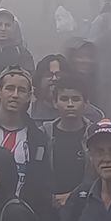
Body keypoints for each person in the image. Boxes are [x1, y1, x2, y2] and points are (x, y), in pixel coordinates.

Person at [0, 68, 52, 210]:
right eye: (9, 88)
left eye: (21, 90)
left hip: (23, 215)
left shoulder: (38, 138)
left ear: (29, 96)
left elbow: (42, 183)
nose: (15, 95)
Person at [43, 74, 94, 208]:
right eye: (64, 99)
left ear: (86, 103)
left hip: (86, 206)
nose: (70, 104)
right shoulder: (42, 134)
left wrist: (73, 196)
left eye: (76, 99)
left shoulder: (95, 136)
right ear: (55, 102)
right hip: (49, 207)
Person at [0, 8, 35, 79]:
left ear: (13, 28)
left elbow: (28, 76)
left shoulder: (22, 53)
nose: (3, 28)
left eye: (7, 25)